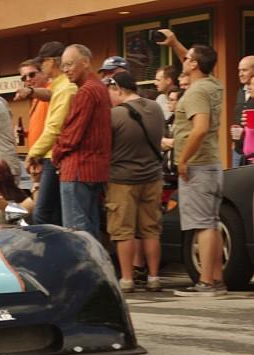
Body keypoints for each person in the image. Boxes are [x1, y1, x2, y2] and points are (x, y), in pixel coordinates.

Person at [168, 43, 226, 296]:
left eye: (187, 58)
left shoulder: (195, 93)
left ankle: (206, 283)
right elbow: (197, 60)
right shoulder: (214, 84)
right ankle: (216, 279)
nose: (184, 59)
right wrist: (173, 42)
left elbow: (200, 128)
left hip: (197, 166)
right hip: (212, 164)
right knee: (211, 223)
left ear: (193, 65)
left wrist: (183, 160)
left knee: (202, 225)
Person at [105, 71, 165, 293]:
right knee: (151, 229)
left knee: (124, 231)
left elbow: (105, 146)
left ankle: (127, 279)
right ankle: (154, 277)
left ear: (119, 89)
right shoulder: (156, 108)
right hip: (152, 177)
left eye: (111, 91)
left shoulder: (116, 115)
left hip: (123, 180)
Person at [52, 44, 112, 242]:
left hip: (77, 169)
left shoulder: (85, 92)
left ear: (85, 62)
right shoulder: (101, 89)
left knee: (77, 234)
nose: (66, 69)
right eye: (63, 65)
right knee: (91, 229)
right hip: (95, 170)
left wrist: (56, 154)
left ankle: (84, 272)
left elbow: (71, 135)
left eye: (70, 64)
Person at [24, 42, 77, 226]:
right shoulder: (58, 87)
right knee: (53, 213)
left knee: (43, 213)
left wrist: (33, 153)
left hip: (53, 157)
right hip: (49, 156)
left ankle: (48, 251)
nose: (40, 68)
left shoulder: (65, 88)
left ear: (52, 62)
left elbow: (54, 128)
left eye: (41, 65)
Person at [231, 56, 254, 167]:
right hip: (238, 150)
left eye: (244, 70)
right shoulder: (240, 91)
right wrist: (234, 142)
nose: (240, 74)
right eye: (239, 70)